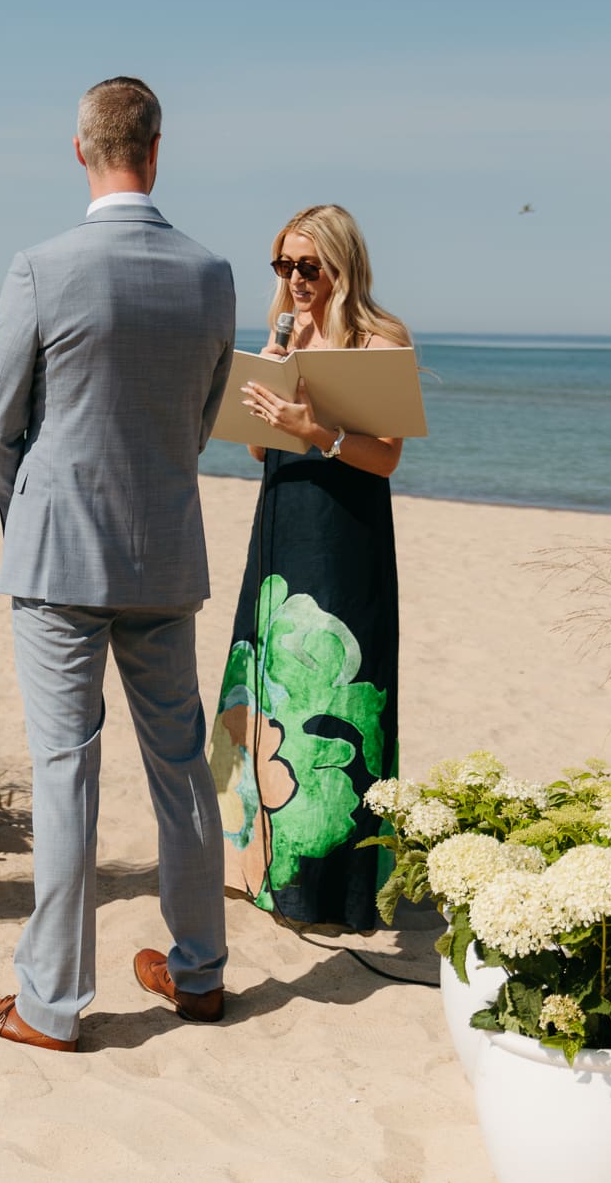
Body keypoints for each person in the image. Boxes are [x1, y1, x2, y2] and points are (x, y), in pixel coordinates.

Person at [0, 77, 235, 1053]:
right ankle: (196, 971)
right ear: (156, 149)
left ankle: (51, 1005)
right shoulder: (210, 274)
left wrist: (24, 513)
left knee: (65, 773)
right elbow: (196, 419)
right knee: (181, 768)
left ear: (80, 151)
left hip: (59, 554)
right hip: (162, 553)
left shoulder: (41, 267)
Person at [214, 203, 409, 934]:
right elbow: (258, 451)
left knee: (339, 685)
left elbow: (386, 454)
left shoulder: (380, 342)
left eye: (307, 265)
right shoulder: (283, 334)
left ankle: (335, 885)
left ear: (340, 264)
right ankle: (251, 864)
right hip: (280, 520)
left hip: (344, 531)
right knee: (258, 679)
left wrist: (316, 431)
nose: (294, 279)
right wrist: (270, 407)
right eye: (283, 264)